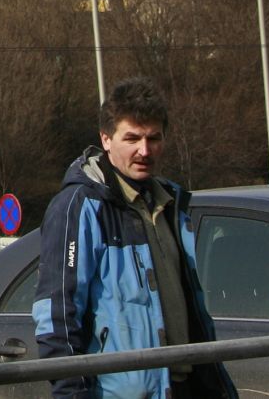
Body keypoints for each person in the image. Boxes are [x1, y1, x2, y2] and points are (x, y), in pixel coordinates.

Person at [34, 78, 235, 399]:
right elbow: (57, 314)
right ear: (106, 139)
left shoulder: (171, 203)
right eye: (132, 138)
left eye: (154, 138)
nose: (144, 150)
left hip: (184, 385)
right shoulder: (80, 206)